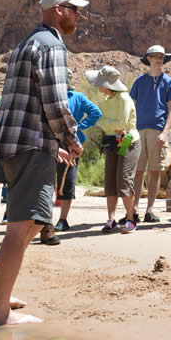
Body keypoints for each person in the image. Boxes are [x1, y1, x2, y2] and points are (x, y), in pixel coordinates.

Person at [0, 0, 85, 326]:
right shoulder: (52, 45)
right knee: (21, 226)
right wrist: (70, 137)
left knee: (36, 220)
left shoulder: (25, 44)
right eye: (73, 9)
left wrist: (56, 143)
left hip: (15, 143)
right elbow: (55, 101)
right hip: (31, 145)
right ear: (58, 10)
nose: (77, 15)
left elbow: (30, 101)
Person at [86, 65, 141, 234]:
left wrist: (107, 123)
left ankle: (131, 218)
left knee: (124, 179)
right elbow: (110, 124)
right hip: (111, 141)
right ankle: (111, 219)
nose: (97, 86)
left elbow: (120, 124)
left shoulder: (124, 99)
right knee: (110, 181)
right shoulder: (106, 101)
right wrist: (110, 125)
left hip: (128, 142)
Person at [129, 45, 171, 223]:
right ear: (148, 58)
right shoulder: (139, 81)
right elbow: (131, 106)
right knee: (137, 171)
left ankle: (149, 210)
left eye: (161, 56)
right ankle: (132, 209)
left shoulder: (169, 82)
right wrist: (129, 129)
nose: (159, 59)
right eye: (155, 56)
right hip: (138, 129)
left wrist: (166, 133)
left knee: (155, 171)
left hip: (158, 130)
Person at [49, 68, 102, 236]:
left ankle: (62, 220)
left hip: (71, 143)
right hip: (52, 143)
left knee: (67, 180)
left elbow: (96, 112)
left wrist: (79, 128)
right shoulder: (52, 97)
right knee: (48, 180)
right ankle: (45, 221)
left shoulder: (77, 97)